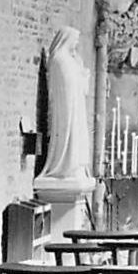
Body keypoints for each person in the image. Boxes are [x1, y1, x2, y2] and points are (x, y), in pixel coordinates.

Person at [36, 27, 92, 184]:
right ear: (66, 39)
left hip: (76, 105)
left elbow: (80, 87)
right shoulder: (59, 59)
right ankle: (66, 166)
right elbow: (66, 84)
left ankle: (74, 166)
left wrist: (82, 72)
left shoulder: (69, 59)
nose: (76, 43)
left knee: (77, 135)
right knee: (69, 134)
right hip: (67, 107)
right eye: (74, 40)